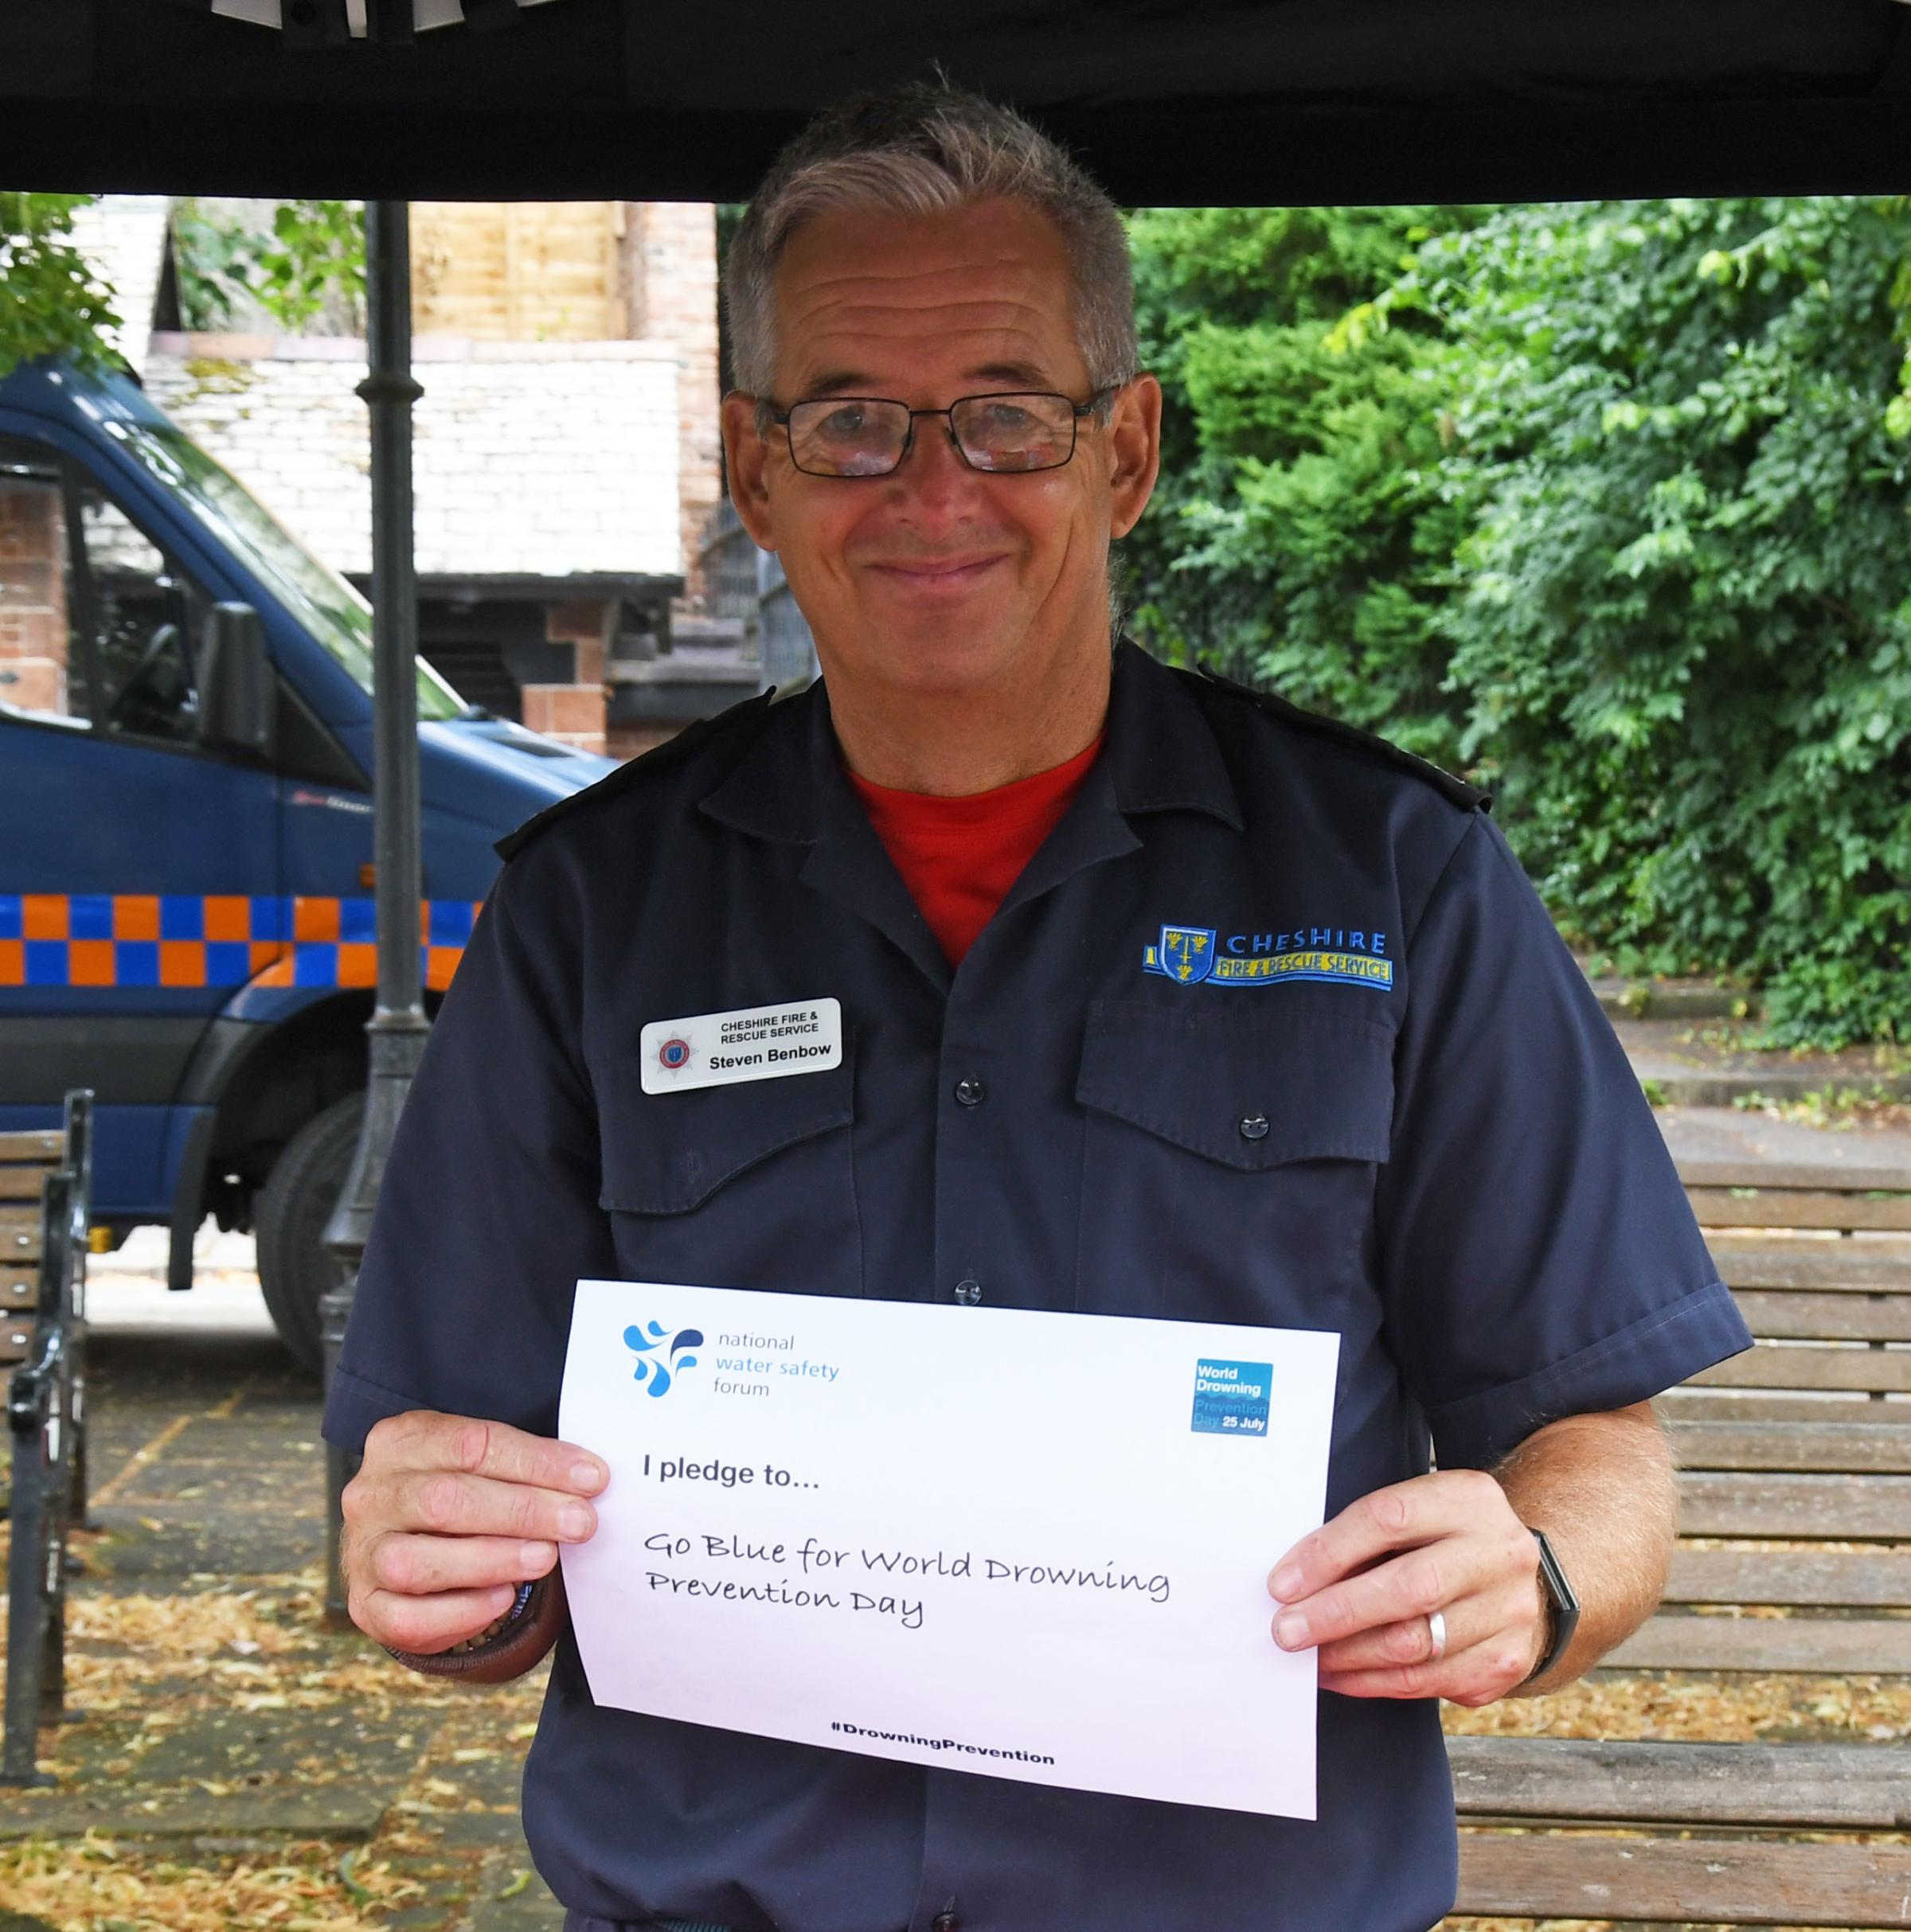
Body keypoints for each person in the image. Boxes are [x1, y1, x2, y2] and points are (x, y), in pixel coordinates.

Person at [322, 80, 1753, 1932]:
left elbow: (1600, 1442)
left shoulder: (1392, 880)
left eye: (1008, 412)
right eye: (851, 421)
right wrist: (434, 1564)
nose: (934, 488)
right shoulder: (589, 915)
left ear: (1126, 450)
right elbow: (447, 1494)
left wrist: (1541, 1569)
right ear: (755, 469)